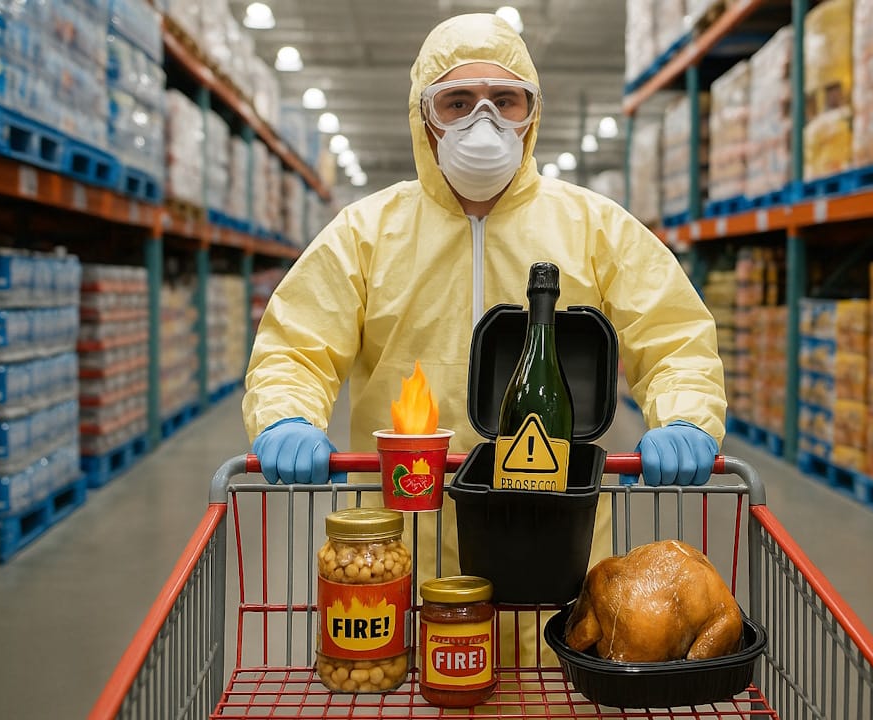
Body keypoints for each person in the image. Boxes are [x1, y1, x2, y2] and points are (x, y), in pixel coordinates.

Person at [243, 12, 726, 656]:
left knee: (550, 684)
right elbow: (295, 346)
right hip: (404, 555)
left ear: (532, 114)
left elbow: (673, 338)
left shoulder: (595, 228)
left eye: (504, 101)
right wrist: (286, 416)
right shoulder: (366, 234)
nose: (483, 121)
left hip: (557, 552)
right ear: (425, 117)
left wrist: (686, 417)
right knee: (415, 683)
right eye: (458, 102)